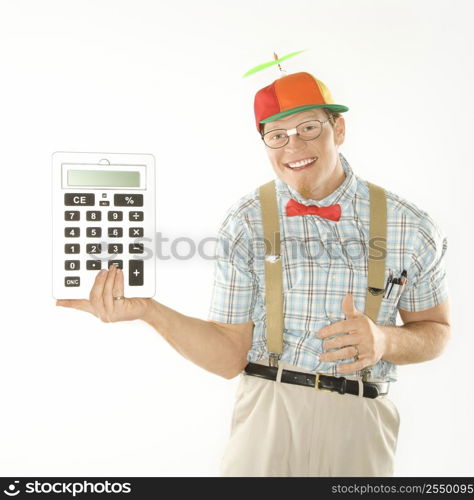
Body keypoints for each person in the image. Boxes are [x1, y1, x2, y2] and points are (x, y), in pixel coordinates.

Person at [56, 71, 451, 477]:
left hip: (360, 423)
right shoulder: (246, 221)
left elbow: (436, 331)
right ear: (265, 143)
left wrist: (384, 339)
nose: (293, 145)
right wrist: (148, 311)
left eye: (309, 128)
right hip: (267, 412)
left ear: (339, 129)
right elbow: (229, 356)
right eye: (276, 135)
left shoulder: (411, 226)